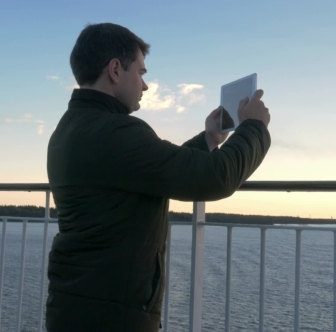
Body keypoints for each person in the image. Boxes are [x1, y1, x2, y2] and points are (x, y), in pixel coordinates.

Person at [46, 22, 271, 332]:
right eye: (140, 72)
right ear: (115, 70)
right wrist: (254, 128)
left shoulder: (70, 128)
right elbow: (214, 178)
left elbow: (152, 168)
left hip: (78, 303)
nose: (145, 85)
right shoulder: (115, 132)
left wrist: (208, 139)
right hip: (112, 316)